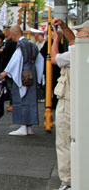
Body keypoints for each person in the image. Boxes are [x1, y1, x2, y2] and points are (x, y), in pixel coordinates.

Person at [50, 19, 89, 190]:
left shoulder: (75, 52)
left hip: (68, 101)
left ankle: (67, 181)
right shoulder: (81, 50)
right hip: (81, 101)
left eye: (80, 31)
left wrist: (55, 40)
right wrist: (64, 28)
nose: (77, 34)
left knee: (65, 142)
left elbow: (53, 59)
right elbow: (73, 41)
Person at [0, 26, 44, 136]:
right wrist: (38, 75)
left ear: (14, 34)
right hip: (32, 73)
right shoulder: (32, 44)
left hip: (23, 74)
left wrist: (6, 72)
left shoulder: (21, 45)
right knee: (30, 99)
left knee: (21, 98)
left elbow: (16, 59)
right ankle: (29, 127)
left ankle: (23, 126)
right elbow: (40, 59)